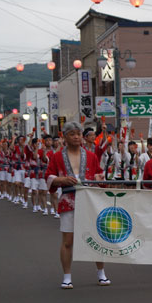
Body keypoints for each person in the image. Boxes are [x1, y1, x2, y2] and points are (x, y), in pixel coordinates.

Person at [45, 122, 109, 289]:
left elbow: (99, 175)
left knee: (96, 236)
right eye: (72, 134)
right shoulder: (57, 157)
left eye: (78, 134)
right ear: (64, 136)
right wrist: (61, 180)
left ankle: (101, 273)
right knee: (68, 240)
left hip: (89, 200)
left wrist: (98, 179)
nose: (76, 137)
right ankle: (67, 276)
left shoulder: (91, 155)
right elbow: (49, 177)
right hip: (68, 200)